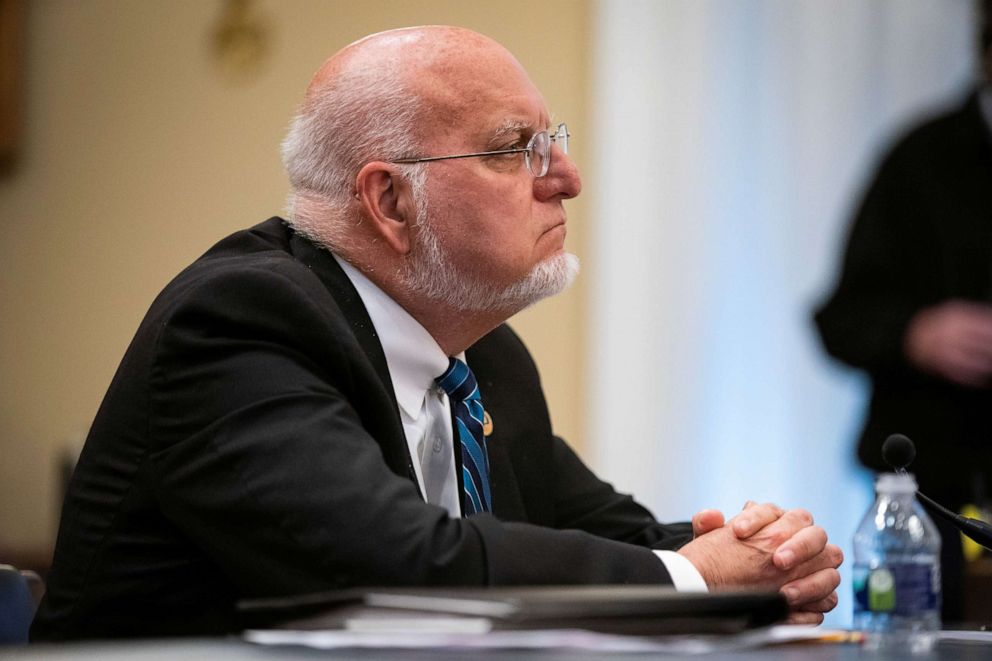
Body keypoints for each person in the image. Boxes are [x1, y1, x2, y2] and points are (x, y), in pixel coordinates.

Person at [32, 26, 841, 640]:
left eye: (552, 142)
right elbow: (398, 570)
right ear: (390, 201)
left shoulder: (482, 354)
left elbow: (602, 533)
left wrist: (765, 558)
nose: (566, 178)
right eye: (516, 149)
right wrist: (695, 579)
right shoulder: (243, 325)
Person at [814, 3, 992, 623]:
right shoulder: (921, 160)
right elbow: (838, 318)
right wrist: (916, 334)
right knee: (914, 629)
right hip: (931, 484)